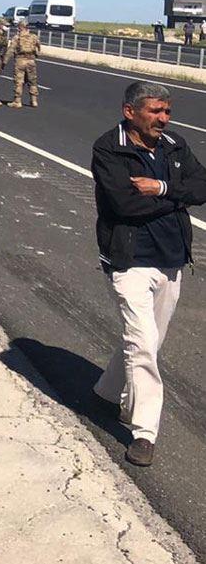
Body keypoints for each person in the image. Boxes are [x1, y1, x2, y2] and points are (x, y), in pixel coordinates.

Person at [91, 81, 206, 466]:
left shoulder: (175, 145)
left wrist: (159, 189)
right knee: (141, 343)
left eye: (167, 111)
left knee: (148, 342)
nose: (163, 118)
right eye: (156, 111)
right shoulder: (109, 148)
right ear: (130, 111)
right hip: (129, 262)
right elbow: (123, 205)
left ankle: (108, 391)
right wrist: (178, 197)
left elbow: (202, 186)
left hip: (171, 260)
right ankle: (143, 432)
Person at [6, 20, 42, 108]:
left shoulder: (17, 37)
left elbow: (10, 50)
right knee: (32, 81)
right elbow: (38, 47)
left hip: (20, 61)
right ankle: (34, 101)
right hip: (31, 61)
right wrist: (35, 56)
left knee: (19, 81)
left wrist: (4, 61)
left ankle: (17, 101)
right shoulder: (34, 37)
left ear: (20, 27)